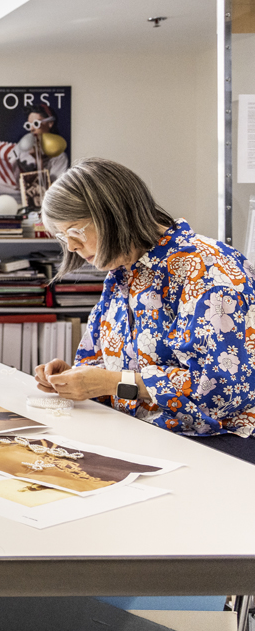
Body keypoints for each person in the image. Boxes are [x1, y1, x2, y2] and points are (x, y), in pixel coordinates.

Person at [33, 158, 255, 462]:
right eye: (61, 237)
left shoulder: (209, 270)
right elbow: (108, 360)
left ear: (111, 214)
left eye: (74, 231)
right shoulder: (124, 272)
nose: (70, 247)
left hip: (216, 442)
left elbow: (222, 392)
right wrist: (78, 379)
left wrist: (113, 382)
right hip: (144, 433)